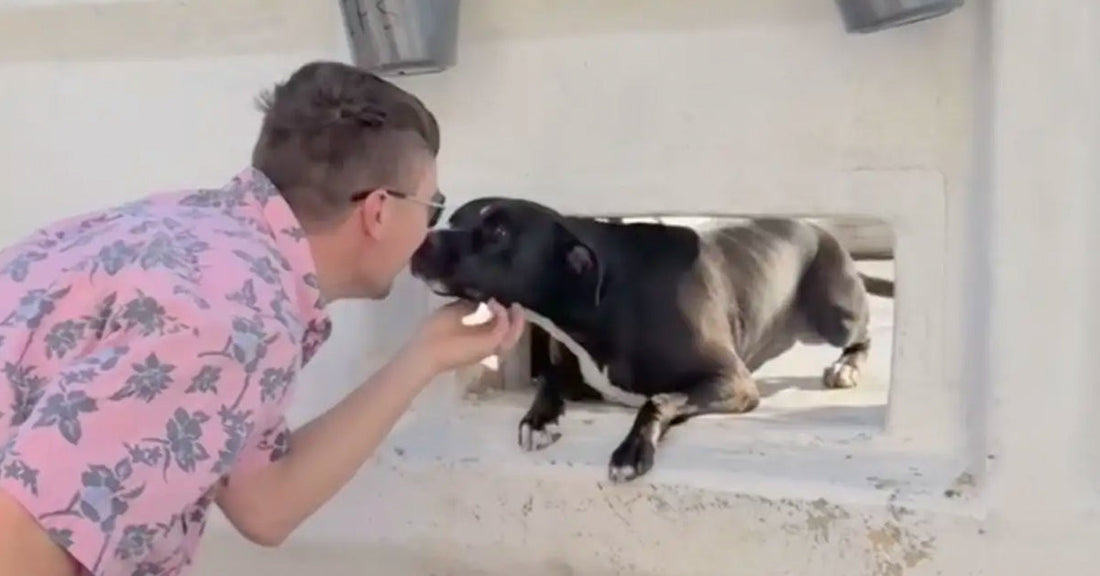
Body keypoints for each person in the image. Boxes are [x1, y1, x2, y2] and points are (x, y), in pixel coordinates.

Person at [0, 61, 525, 576]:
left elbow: (265, 504)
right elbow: (21, 532)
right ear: (380, 210)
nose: (429, 229)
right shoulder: (231, 320)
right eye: (431, 206)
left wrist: (423, 357)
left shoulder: (207, 245)